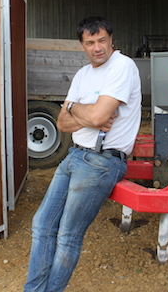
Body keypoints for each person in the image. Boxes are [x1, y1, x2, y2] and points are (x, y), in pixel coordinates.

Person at [24, 16, 142, 292]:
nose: (97, 47)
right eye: (90, 42)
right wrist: (85, 114)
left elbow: (99, 114)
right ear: (82, 45)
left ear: (111, 39)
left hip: (102, 161)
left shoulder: (122, 66)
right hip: (75, 156)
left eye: (102, 40)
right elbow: (62, 124)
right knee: (42, 224)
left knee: (68, 235)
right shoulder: (82, 75)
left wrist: (76, 108)